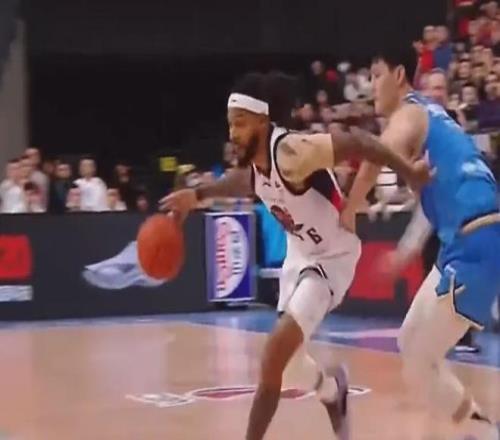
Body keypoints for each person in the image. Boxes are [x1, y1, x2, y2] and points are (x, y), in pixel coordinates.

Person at [160, 71, 430, 440]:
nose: (233, 132)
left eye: (240, 123)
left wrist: (408, 171)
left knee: (273, 354)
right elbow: (245, 181)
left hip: (332, 257)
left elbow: (359, 141)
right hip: (299, 253)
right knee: (288, 366)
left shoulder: (291, 152)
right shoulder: (257, 162)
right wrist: (198, 195)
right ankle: (332, 391)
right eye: (230, 124)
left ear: (262, 120)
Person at [341, 47, 500, 439]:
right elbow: (432, 202)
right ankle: (479, 431)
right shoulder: (434, 120)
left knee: (418, 357)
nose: (371, 86)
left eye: (376, 75)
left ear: (399, 75)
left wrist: (348, 211)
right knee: (410, 342)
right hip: (469, 239)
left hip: (474, 242)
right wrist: (406, 252)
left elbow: (374, 156)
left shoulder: (409, 113)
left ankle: (484, 434)